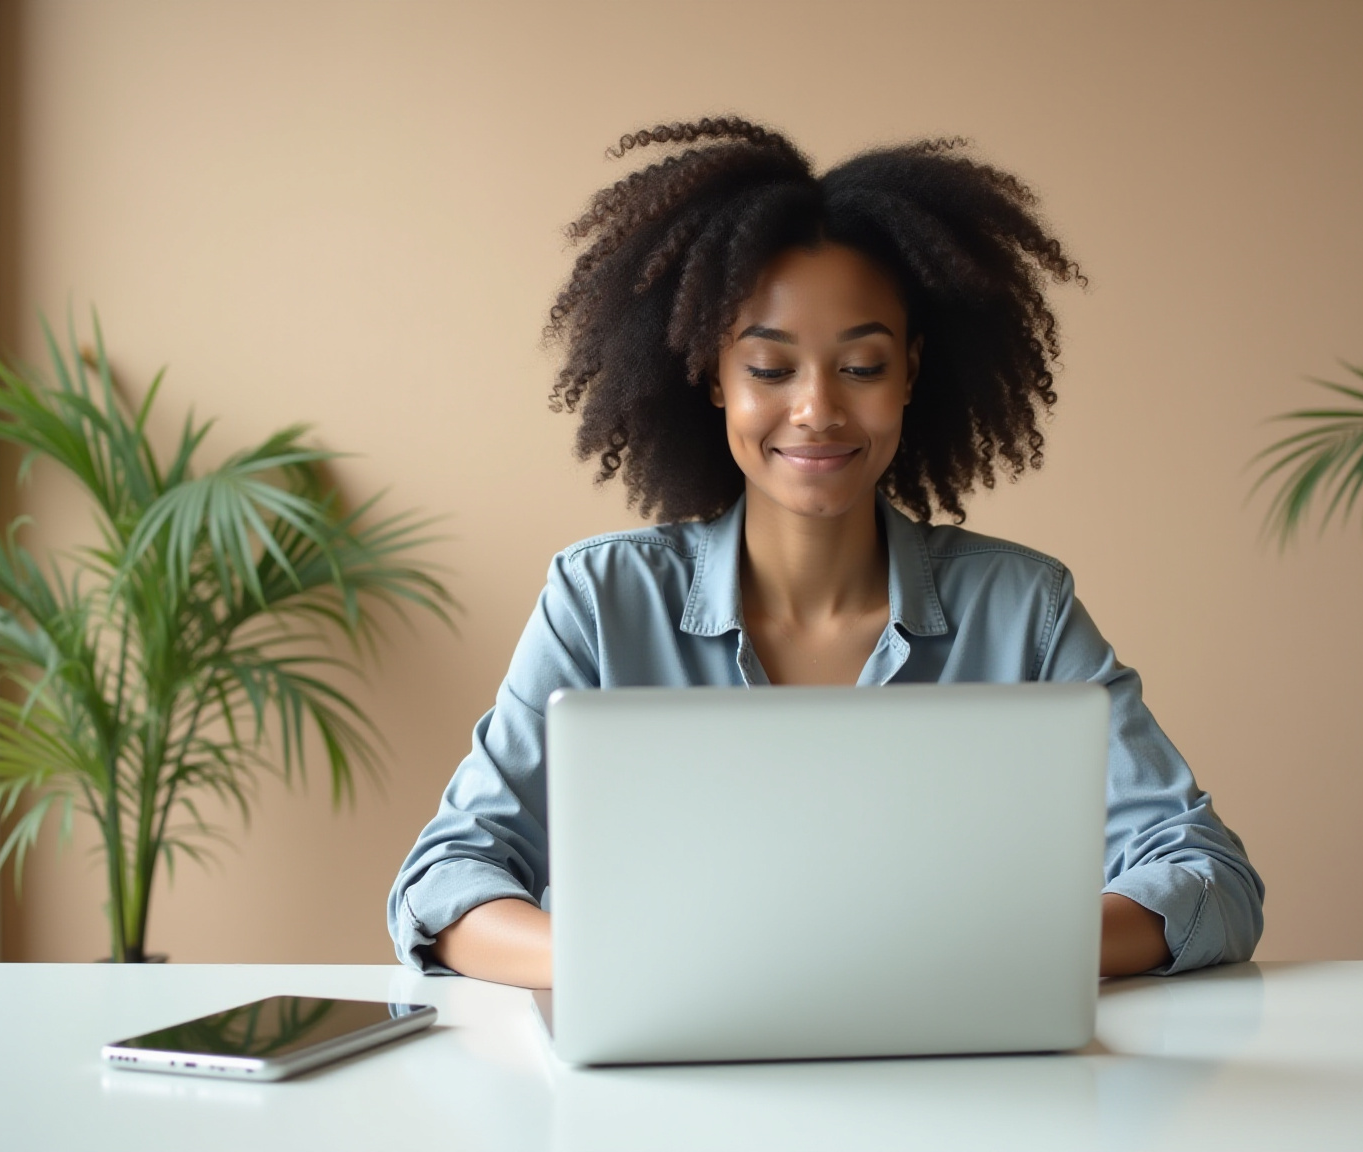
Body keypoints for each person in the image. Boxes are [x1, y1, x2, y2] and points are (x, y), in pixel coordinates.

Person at [388, 118, 1263, 987]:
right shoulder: (600, 601)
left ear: (911, 372)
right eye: (770, 369)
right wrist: (620, 963)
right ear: (712, 377)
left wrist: (989, 953)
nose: (816, 410)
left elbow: (1209, 876)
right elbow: (448, 874)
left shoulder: (1022, 610)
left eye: (862, 366)